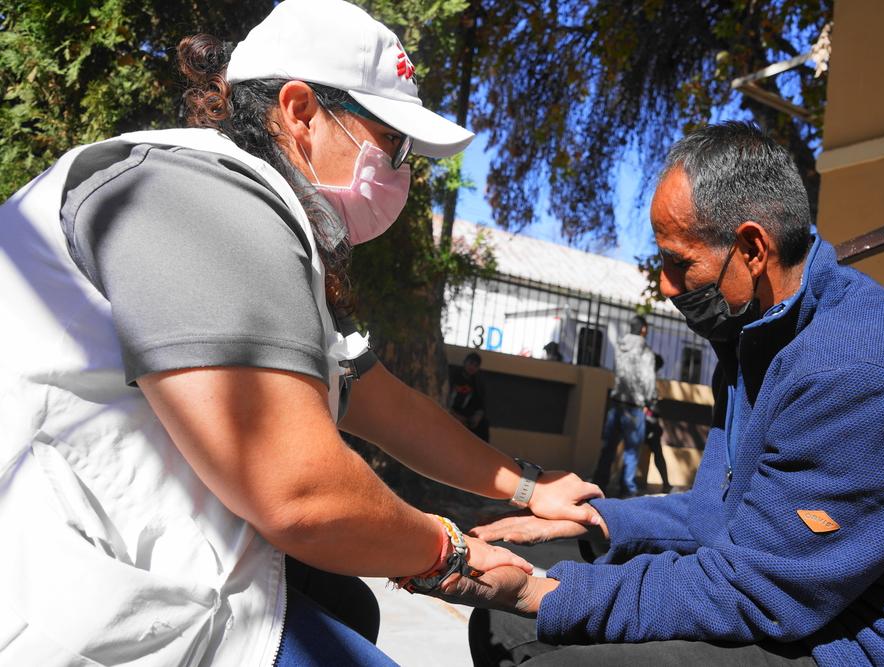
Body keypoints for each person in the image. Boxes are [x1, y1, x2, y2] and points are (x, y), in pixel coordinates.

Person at [0, 1, 602, 664]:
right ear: (301, 111)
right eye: (393, 143)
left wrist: (529, 485)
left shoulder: (253, 215)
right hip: (69, 596)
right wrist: (457, 554)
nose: (403, 170)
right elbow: (302, 493)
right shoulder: (193, 199)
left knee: (351, 605)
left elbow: (381, 402)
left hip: (144, 563)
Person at [431, 121, 884, 666]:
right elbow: (720, 518)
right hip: (800, 596)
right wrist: (601, 523)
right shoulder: (753, 338)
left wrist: (539, 593)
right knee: (504, 622)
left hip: (876, 642)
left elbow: (757, 589)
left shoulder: (863, 376)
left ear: (752, 250)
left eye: (679, 263)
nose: (664, 285)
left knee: (541, 622)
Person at [591, 315, 658, 498]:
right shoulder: (645, 351)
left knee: (608, 448)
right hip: (635, 406)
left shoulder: (620, 347)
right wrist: (650, 400)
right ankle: (627, 489)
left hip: (617, 402)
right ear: (643, 329)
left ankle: (599, 484)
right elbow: (648, 379)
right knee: (631, 451)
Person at [640, 353, 670, 493]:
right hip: (648, 420)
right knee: (657, 453)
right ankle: (666, 483)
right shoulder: (648, 377)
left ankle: (665, 483)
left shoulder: (643, 375)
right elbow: (649, 401)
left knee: (632, 452)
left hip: (646, 419)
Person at [450, 352, 490, 442]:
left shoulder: (477, 382)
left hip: (466, 414)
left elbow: (480, 404)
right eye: (470, 363)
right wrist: (456, 416)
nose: (472, 367)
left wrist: (477, 416)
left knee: (483, 424)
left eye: (476, 366)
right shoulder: (454, 376)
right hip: (451, 411)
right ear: (465, 363)